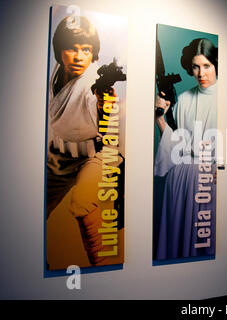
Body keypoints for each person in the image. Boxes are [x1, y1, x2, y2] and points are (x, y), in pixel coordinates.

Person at [46, 15, 121, 267]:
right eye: (72, 49)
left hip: (98, 152)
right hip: (62, 153)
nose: (79, 57)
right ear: (60, 51)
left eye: (86, 50)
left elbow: (102, 111)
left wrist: (103, 99)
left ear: (93, 53)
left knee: (83, 200)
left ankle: (106, 271)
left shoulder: (93, 84)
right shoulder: (59, 74)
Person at [154, 38, 218, 261]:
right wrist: (161, 121)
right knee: (179, 239)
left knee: (207, 240)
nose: (201, 73)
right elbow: (175, 145)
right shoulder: (183, 99)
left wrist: (223, 167)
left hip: (210, 179)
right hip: (181, 177)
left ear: (215, 64)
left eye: (207, 65)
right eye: (196, 67)